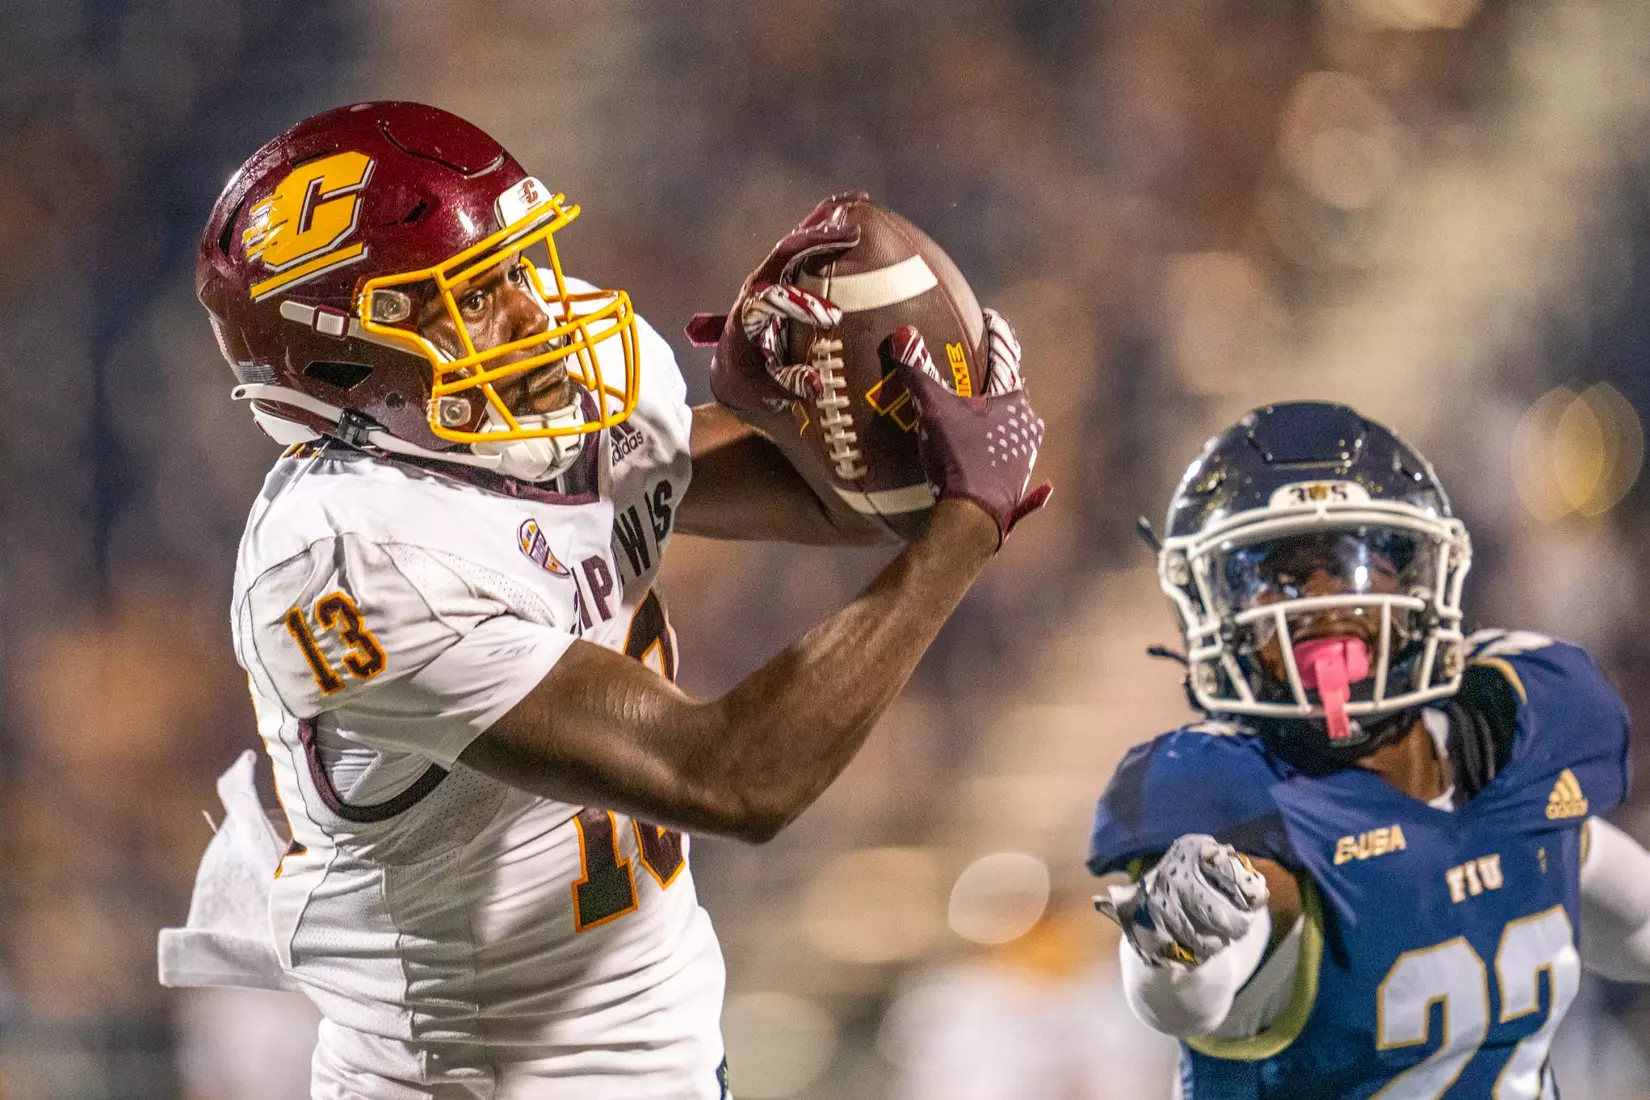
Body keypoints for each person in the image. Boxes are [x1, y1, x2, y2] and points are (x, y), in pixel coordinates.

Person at [158, 101, 1048, 1099]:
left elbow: (833, 504)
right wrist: (968, 521)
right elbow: (732, 778)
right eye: (473, 295)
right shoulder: (345, 560)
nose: (536, 312)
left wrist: (879, 428)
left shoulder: (549, 383)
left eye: (513, 265)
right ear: (345, 366)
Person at [1086, 401, 1650, 1098]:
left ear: (1418, 574)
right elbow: (1188, 998)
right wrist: (1173, 943)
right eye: (1278, 575)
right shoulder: (1248, 813)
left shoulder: (1512, 749)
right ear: (1214, 610)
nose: (1320, 601)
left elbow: (1637, 923)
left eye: (1350, 563)